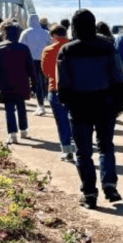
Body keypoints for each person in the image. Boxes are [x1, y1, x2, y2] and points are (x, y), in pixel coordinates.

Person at [57, 9, 123, 209]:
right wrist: (120, 102)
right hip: (105, 104)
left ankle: (89, 193)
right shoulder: (107, 46)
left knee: (83, 152)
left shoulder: (67, 50)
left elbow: (63, 83)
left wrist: (67, 103)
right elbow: (118, 76)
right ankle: (110, 185)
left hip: (79, 106)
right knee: (106, 146)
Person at [0, 21, 37, 145]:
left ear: (4, 34)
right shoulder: (24, 48)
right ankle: (24, 130)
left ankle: (12, 134)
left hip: (4, 82)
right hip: (21, 82)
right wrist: (34, 83)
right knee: (21, 107)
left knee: (9, 108)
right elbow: (30, 67)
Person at [41, 24, 76, 162]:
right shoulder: (74, 48)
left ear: (53, 36)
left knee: (61, 122)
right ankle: (78, 147)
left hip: (55, 89)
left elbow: (46, 72)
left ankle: (67, 150)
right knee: (75, 120)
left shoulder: (48, 50)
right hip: (74, 90)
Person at [20, 14, 51, 116]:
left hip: (31, 60)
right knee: (44, 81)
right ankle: (45, 98)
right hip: (43, 59)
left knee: (35, 82)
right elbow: (50, 45)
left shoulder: (26, 32)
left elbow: (21, 46)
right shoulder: (46, 33)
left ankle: (40, 105)